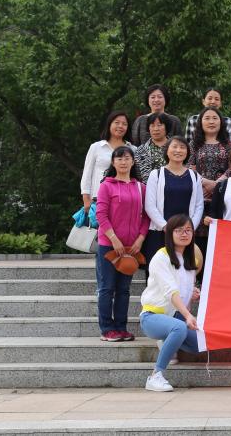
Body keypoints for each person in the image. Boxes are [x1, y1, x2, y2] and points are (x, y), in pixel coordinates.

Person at [139, 214, 203, 392]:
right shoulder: (161, 257)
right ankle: (155, 376)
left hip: (175, 316)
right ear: (170, 233)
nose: (184, 234)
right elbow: (171, 291)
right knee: (179, 327)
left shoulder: (190, 262)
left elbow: (181, 292)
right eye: (179, 230)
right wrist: (188, 316)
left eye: (188, 230)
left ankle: (167, 338)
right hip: (152, 316)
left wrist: (192, 293)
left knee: (200, 343)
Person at [95, 146, 149, 342]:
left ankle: (121, 328)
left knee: (124, 290)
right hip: (108, 245)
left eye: (127, 158)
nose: (123, 162)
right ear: (113, 162)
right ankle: (107, 329)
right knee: (107, 287)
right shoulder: (106, 186)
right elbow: (101, 215)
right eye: (119, 158)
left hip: (131, 247)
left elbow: (146, 217)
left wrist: (140, 239)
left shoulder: (140, 187)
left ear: (133, 162)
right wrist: (114, 239)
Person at [143, 136, 203, 269]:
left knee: (184, 271)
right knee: (158, 271)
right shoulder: (156, 174)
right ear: (167, 150)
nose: (178, 150)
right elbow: (150, 206)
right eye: (174, 146)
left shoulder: (194, 176)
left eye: (182, 147)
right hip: (160, 232)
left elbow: (199, 205)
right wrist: (166, 227)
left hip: (185, 234)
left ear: (187, 152)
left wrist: (190, 228)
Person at [81, 111, 135, 217]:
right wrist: (86, 198)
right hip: (98, 200)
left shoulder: (133, 149)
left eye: (124, 124)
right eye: (117, 122)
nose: (120, 126)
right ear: (109, 124)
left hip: (124, 201)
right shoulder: (96, 147)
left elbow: (135, 176)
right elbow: (87, 174)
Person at [187, 106, 231, 200]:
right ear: (200, 122)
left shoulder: (228, 144)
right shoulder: (194, 144)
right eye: (207, 118)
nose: (211, 122)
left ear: (221, 122)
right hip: (200, 192)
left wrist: (216, 184)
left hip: (224, 192)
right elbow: (189, 166)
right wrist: (204, 183)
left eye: (215, 118)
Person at [134, 112, 171, 181]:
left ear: (167, 127)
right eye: (152, 125)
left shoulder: (176, 149)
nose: (156, 129)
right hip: (147, 187)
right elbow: (137, 175)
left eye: (159, 125)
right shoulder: (140, 150)